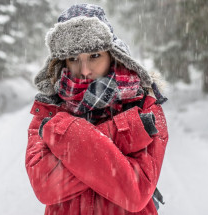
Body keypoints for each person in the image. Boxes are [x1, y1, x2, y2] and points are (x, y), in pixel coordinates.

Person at [25, 3, 169, 215]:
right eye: (74, 58)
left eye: (94, 56)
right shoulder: (49, 108)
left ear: (112, 54)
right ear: (62, 61)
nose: (84, 70)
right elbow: (45, 186)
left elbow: (136, 192)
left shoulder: (144, 104)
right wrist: (124, 135)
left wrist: (63, 130)